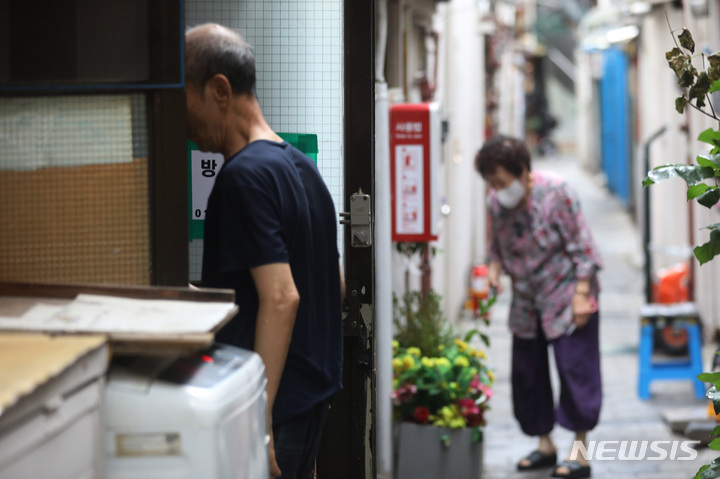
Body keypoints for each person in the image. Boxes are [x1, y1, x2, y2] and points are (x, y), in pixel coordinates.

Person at [185, 24, 345, 479]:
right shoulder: (300, 167)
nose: (184, 125)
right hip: (309, 399)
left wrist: (261, 425)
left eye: (184, 102)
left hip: (272, 409)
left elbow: (281, 297)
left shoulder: (243, 177)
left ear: (219, 90)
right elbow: (330, 284)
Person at [475, 135, 602, 479]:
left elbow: (583, 248)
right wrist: (494, 275)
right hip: (527, 301)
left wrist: (581, 293)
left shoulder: (557, 192)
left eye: (501, 181)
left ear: (522, 171)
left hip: (567, 294)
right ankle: (545, 445)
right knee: (527, 375)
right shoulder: (496, 203)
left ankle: (580, 453)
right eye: (490, 182)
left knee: (576, 371)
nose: (497, 189)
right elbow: (497, 249)